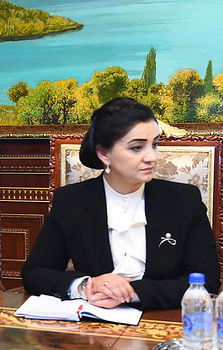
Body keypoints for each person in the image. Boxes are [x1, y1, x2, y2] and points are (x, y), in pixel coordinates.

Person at [22, 97, 220, 310]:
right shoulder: (71, 201)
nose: (152, 157)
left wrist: (131, 293)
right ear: (104, 154)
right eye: (137, 147)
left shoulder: (184, 200)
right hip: (93, 322)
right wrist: (87, 286)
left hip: (162, 319)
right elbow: (35, 274)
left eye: (154, 144)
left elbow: (207, 281)